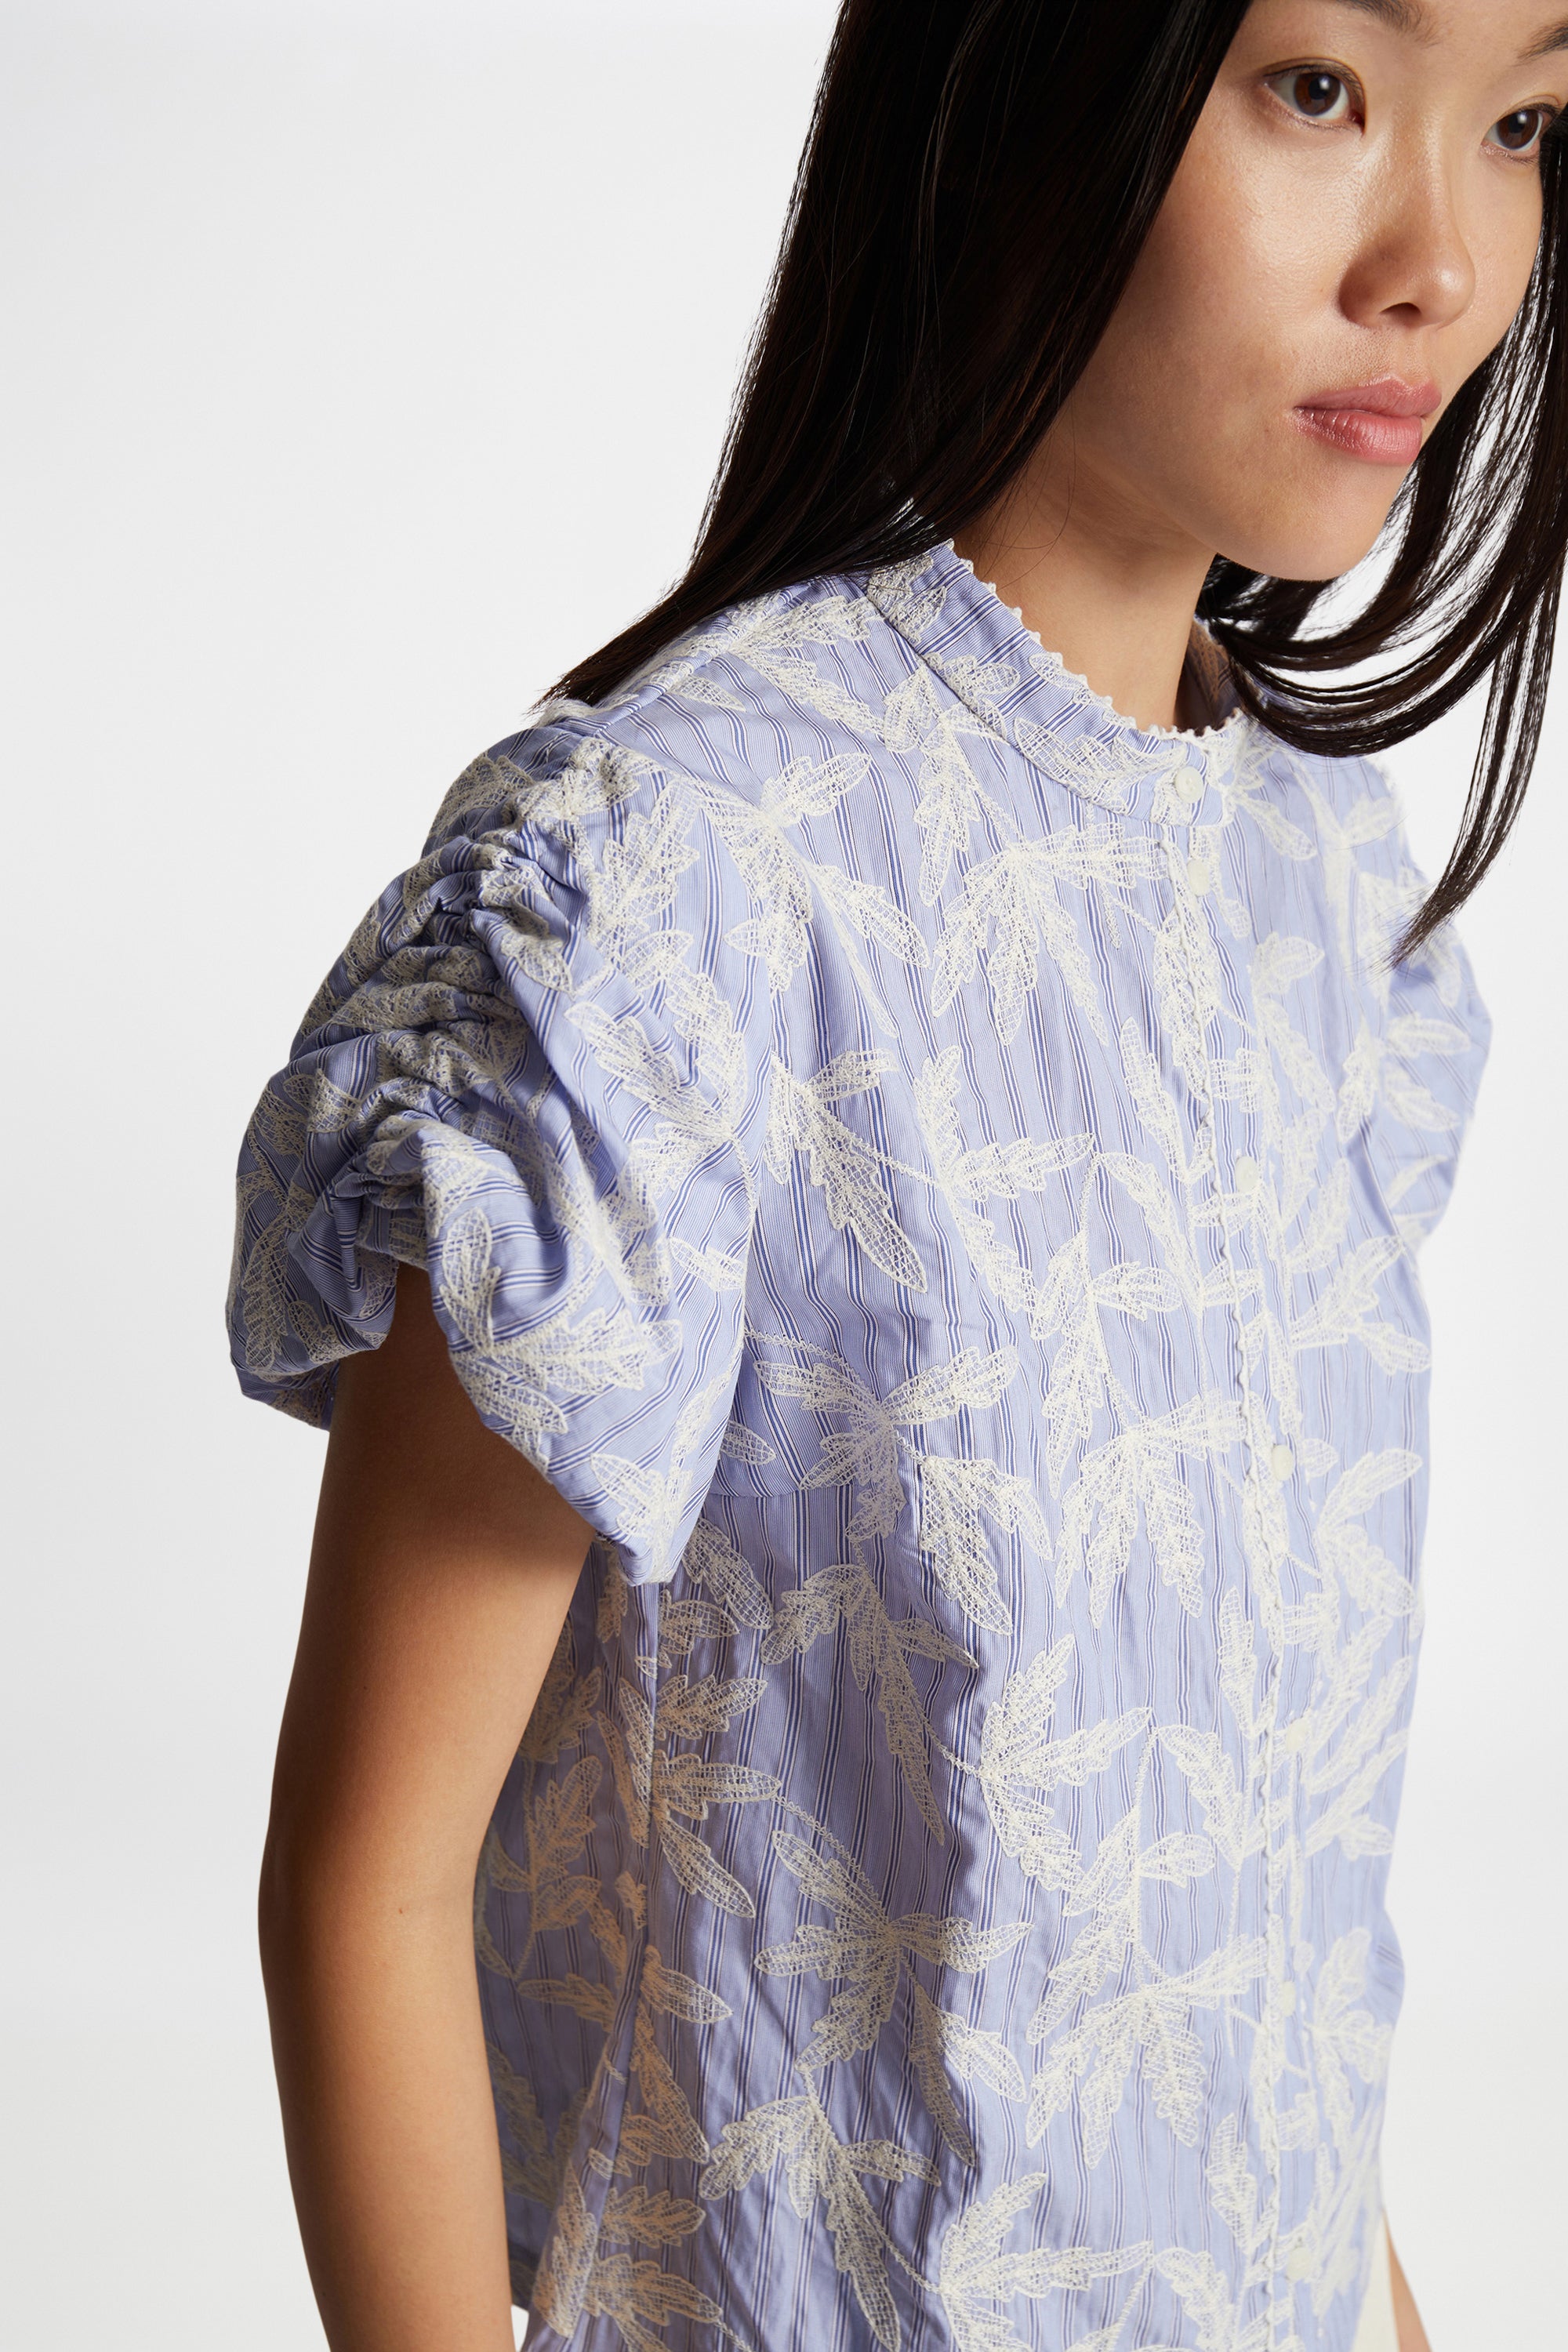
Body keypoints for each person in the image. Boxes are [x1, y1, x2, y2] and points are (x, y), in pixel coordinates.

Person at [226, 2, 1565, 2346]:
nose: (1440, 262)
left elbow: (1237, 1949)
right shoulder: (678, 884)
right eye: (1321, 87)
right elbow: (368, 1896)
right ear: (1034, 74)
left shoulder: (1327, 909)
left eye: (1531, 120)